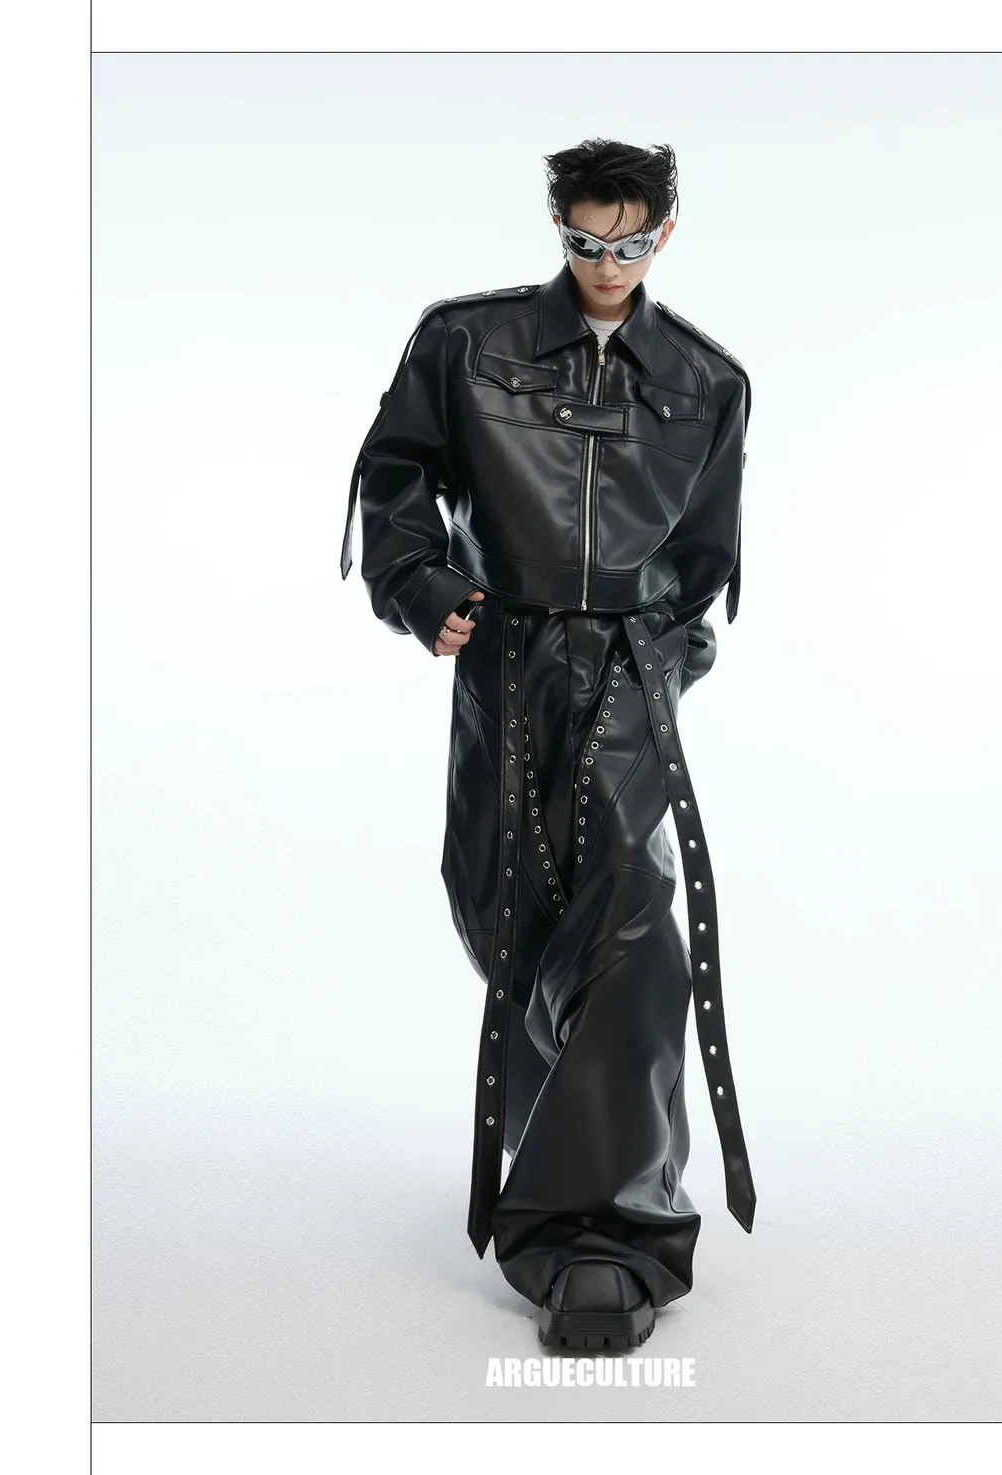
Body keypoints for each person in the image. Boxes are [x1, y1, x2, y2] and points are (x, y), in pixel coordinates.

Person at [339, 138, 756, 1351]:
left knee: (631, 929)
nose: (606, 264)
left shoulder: (706, 380)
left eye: (629, 243)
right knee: (512, 918)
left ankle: (604, 1236)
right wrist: (422, 588)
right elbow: (396, 475)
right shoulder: (466, 344)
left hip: (629, 677)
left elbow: (706, 558)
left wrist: (664, 659)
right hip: (506, 667)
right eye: (584, 240)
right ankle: (573, 1159)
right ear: (558, 226)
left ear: (664, 234)